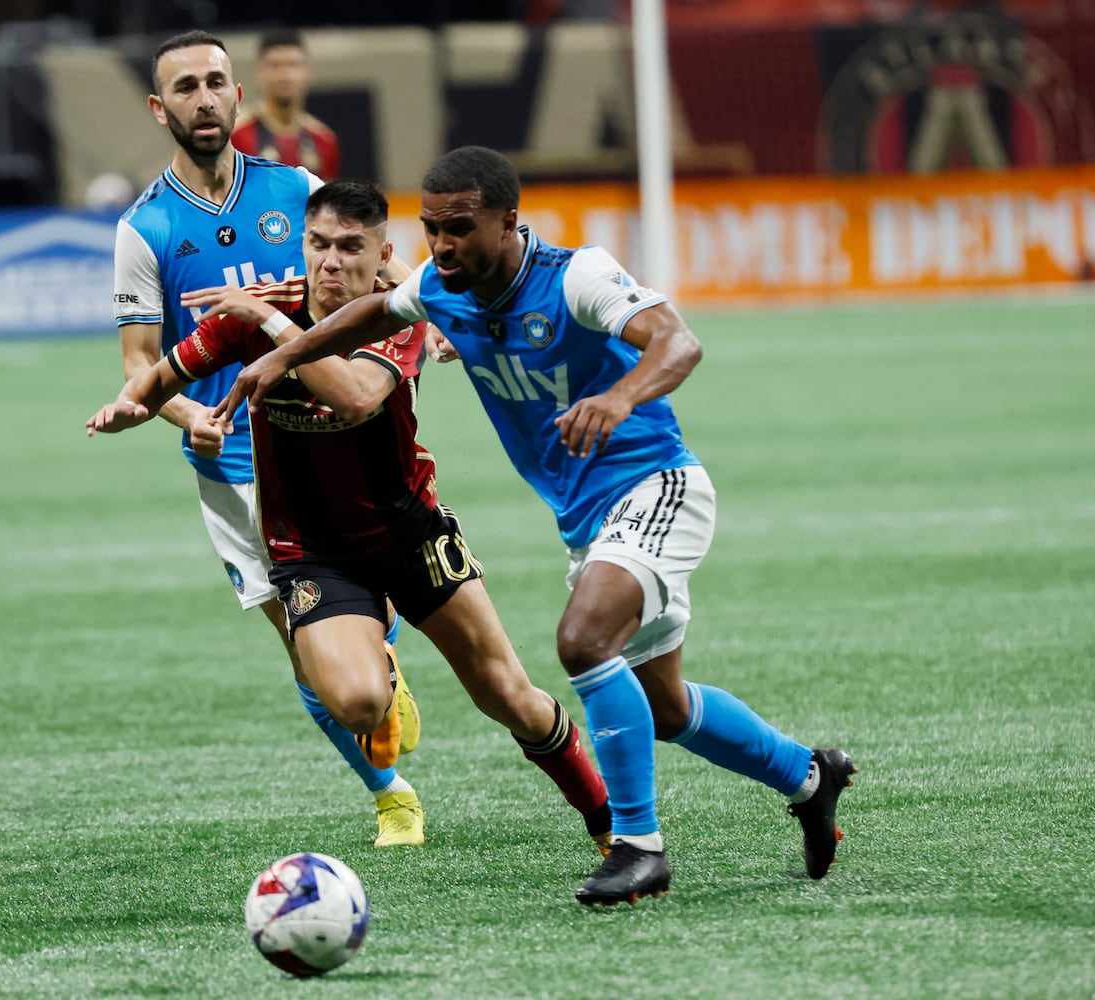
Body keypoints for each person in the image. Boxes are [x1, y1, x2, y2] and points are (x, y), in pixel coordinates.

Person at [217, 146, 858, 905]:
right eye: (431, 228)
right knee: (663, 707)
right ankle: (811, 777)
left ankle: (637, 849)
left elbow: (678, 341)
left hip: (657, 487)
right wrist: (281, 353)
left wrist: (619, 399)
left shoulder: (574, 275)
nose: (443, 245)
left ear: (507, 222)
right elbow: (371, 311)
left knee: (583, 642)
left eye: (460, 228)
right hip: (589, 518)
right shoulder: (441, 287)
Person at [90, 178, 613, 856]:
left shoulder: (392, 316)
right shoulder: (256, 311)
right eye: (317, 245)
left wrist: (273, 331)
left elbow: (358, 398)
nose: (331, 262)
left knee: (510, 696)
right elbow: (162, 378)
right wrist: (142, 407)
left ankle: (609, 824)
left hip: (409, 533)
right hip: (313, 551)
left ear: (382, 255)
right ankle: (382, 670)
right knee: (357, 704)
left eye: (349, 247)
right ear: (302, 245)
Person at [112, 30, 423, 848]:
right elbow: (142, 368)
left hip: (330, 442)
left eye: (217, 81)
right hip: (235, 472)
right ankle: (392, 795)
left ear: (238, 96)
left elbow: (382, 283)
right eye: (185, 87)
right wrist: (192, 418)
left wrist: (418, 333)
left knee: (358, 625)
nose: (204, 98)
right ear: (160, 109)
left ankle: (383, 653)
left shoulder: (297, 187)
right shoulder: (144, 231)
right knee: (307, 654)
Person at [231, 30, 341, 180]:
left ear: (307, 73)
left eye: (293, 65)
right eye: (275, 66)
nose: (285, 75)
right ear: (260, 73)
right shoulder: (235, 134)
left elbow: (327, 199)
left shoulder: (323, 139)